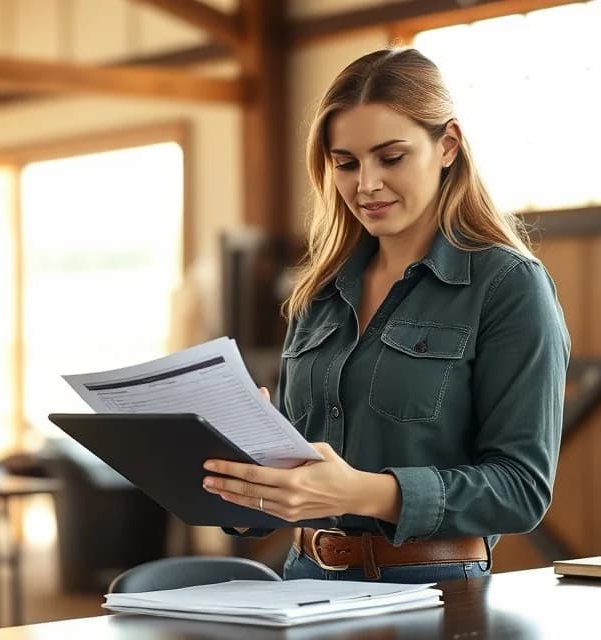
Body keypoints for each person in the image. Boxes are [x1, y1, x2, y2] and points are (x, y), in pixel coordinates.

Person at [201, 47, 570, 583]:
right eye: (346, 163)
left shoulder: (509, 286)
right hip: (301, 583)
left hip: (434, 594)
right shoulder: (319, 292)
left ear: (448, 145)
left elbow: (522, 489)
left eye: (390, 158)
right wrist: (247, 473)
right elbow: (296, 477)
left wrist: (363, 493)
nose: (365, 184)